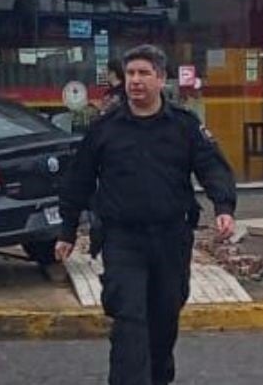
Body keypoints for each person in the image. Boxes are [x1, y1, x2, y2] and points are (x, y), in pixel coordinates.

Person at [55, 44, 237, 385]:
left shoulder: (183, 125)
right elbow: (79, 179)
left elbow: (212, 167)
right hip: (122, 239)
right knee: (129, 320)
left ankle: (158, 377)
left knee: (163, 319)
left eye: (143, 73)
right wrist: (67, 230)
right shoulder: (105, 128)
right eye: (130, 74)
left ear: (161, 79)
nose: (135, 80)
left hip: (171, 239)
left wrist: (224, 208)